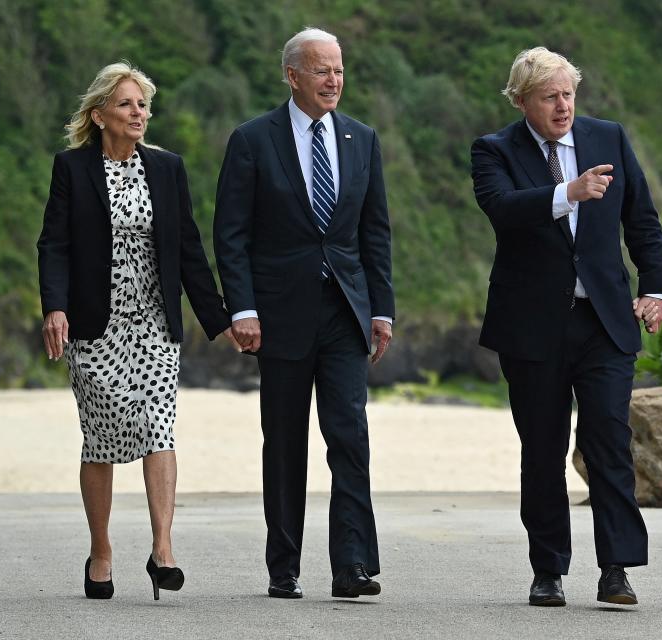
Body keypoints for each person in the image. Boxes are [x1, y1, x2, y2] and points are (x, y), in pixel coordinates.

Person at [471, 47, 662, 607]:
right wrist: (569, 192)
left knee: (609, 438)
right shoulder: (494, 150)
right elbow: (504, 209)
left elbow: (642, 217)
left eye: (568, 94)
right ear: (522, 101)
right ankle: (548, 570)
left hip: (602, 321)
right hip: (531, 326)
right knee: (541, 448)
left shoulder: (607, 136)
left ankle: (617, 569)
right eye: (549, 97)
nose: (563, 106)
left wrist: (655, 288)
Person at [37, 62, 238, 600]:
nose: (139, 113)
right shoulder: (73, 169)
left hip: (153, 323)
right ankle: (101, 551)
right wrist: (54, 307)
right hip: (94, 326)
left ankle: (162, 550)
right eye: (127, 104)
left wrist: (221, 319)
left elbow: (189, 249)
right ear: (100, 114)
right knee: (101, 437)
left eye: (144, 105)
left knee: (158, 426)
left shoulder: (167, 169)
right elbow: (54, 243)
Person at [213, 27, 394, 600]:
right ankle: (283, 565)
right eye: (321, 70)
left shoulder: (361, 138)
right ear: (292, 75)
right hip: (278, 314)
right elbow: (231, 234)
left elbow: (375, 234)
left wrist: (381, 310)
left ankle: (353, 566)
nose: (333, 80)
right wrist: (241, 308)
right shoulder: (252, 140)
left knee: (349, 435)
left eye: (339, 69)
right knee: (285, 441)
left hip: (345, 311)